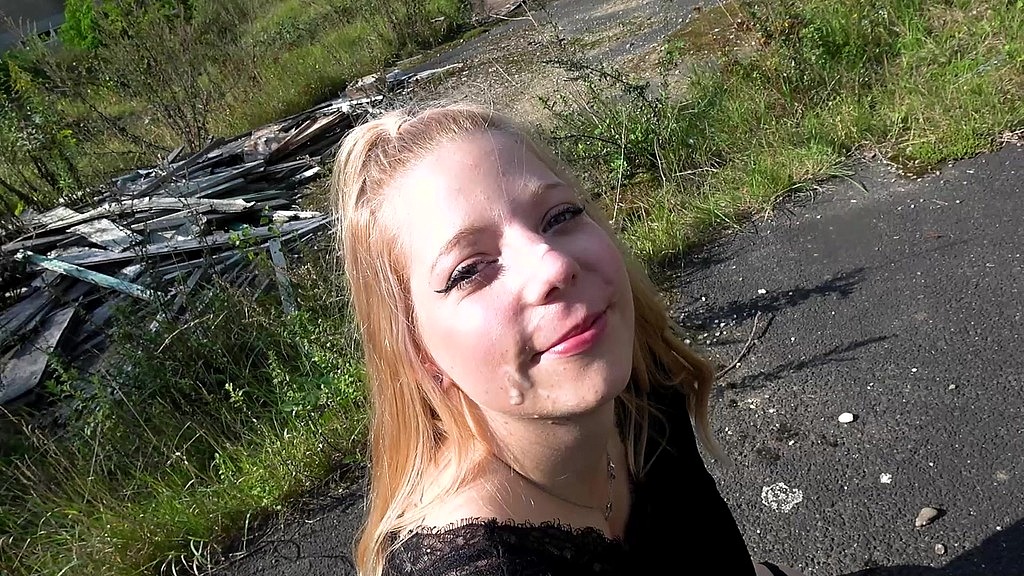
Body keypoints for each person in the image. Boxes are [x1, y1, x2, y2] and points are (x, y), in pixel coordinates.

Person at [330, 103, 799, 576]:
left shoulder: (640, 380)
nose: (553, 264)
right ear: (419, 353)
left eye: (559, 216)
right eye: (469, 270)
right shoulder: (477, 566)